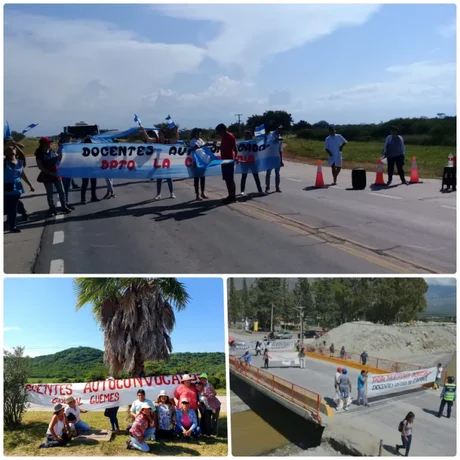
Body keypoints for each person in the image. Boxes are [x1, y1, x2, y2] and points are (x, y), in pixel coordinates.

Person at [35, 137, 72, 216]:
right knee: (50, 193)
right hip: (47, 175)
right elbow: (40, 167)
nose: (50, 144)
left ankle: (64, 206)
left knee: (61, 191)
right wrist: (50, 173)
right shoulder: (39, 154)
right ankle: (52, 209)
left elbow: (58, 158)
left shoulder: (52, 151)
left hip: (56, 174)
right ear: (44, 144)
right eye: (48, 143)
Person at [139, 125, 177, 200]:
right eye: (159, 134)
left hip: (166, 162)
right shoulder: (157, 140)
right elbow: (148, 139)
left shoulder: (167, 141)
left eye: (161, 134)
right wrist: (144, 131)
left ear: (164, 134)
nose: (160, 135)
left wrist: (176, 130)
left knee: (169, 178)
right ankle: (158, 194)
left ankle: (172, 193)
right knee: (159, 178)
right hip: (159, 162)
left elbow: (176, 139)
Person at [4, 146, 34, 233]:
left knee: (12, 207)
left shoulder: (20, 162)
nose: (11, 149)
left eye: (13, 148)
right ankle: (13, 223)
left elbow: (23, 175)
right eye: (9, 149)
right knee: (10, 207)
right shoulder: (4, 162)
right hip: (5, 187)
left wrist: (30, 185)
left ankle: (13, 225)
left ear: (16, 151)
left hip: (16, 188)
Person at [215, 123, 237, 203]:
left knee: (230, 179)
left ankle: (233, 196)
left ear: (223, 130)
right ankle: (230, 195)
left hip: (229, 160)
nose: (218, 133)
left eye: (219, 131)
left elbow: (235, 147)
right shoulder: (223, 137)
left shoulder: (230, 136)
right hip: (223, 160)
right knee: (226, 179)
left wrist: (236, 157)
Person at [241, 130, 263, 195]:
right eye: (245, 135)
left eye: (246, 135)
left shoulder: (254, 143)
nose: (245, 137)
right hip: (245, 161)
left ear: (250, 136)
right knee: (244, 176)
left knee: (256, 176)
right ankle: (242, 191)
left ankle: (260, 190)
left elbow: (257, 152)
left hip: (253, 161)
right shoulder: (243, 143)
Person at [57, 133, 76, 210]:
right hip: (64, 169)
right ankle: (64, 204)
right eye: (69, 137)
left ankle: (66, 202)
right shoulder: (63, 147)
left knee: (67, 187)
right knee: (64, 188)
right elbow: (60, 158)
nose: (70, 139)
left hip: (68, 169)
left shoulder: (69, 146)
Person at [189, 128, 209, 201]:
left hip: (202, 161)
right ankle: (197, 194)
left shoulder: (200, 140)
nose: (200, 134)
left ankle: (202, 193)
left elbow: (203, 148)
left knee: (203, 177)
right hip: (196, 161)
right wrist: (203, 146)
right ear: (195, 133)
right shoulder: (193, 141)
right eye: (199, 133)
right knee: (196, 178)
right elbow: (196, 148)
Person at [80, 136, 99, 203]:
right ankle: (83, 198)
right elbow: (79, 144)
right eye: (87, 142)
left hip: (92, 167)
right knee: (85, 183)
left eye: (89, 142)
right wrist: (85, 138)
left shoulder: (93, 149)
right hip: (84, 168)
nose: (89, 144)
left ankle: (93, 196)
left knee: (93, 183)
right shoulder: (82, 149)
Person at [265, 125, 284, 193]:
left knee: (277, 173)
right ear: (276, 128)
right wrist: (277, 139)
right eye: (279, 128)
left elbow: (280, 150)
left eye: (281, 129)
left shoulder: (280, 137)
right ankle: (267, 187)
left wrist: (281, 160)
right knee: (268, 173)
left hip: (277, 157)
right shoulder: (271, 133)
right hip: (270, 156)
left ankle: (277, 187)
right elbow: (270, 140)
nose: (280, 130)